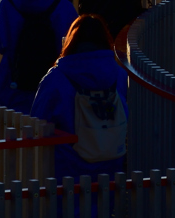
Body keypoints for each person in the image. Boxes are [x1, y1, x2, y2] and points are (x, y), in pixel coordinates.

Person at [31, 14, 129, 184]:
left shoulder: (56, 78)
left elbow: (37, 123)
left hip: (68, 173)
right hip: (111, 168)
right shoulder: (119, 75)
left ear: (71, 41)